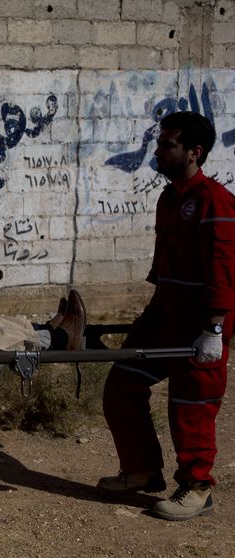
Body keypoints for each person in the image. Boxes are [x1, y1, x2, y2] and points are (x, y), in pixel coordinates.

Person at [98, 111, 235, 521]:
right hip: (165, 314)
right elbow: (165, 265)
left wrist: (214, 329)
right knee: (122, 384)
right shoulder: (169, 197)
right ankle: (141, 469)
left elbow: (225, 270)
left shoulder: (215, 202)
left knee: (190, 406)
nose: (157, 151)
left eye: (167, 145)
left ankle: (197, 487)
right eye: (159, 143)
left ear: (194, 152)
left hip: (201, 321)